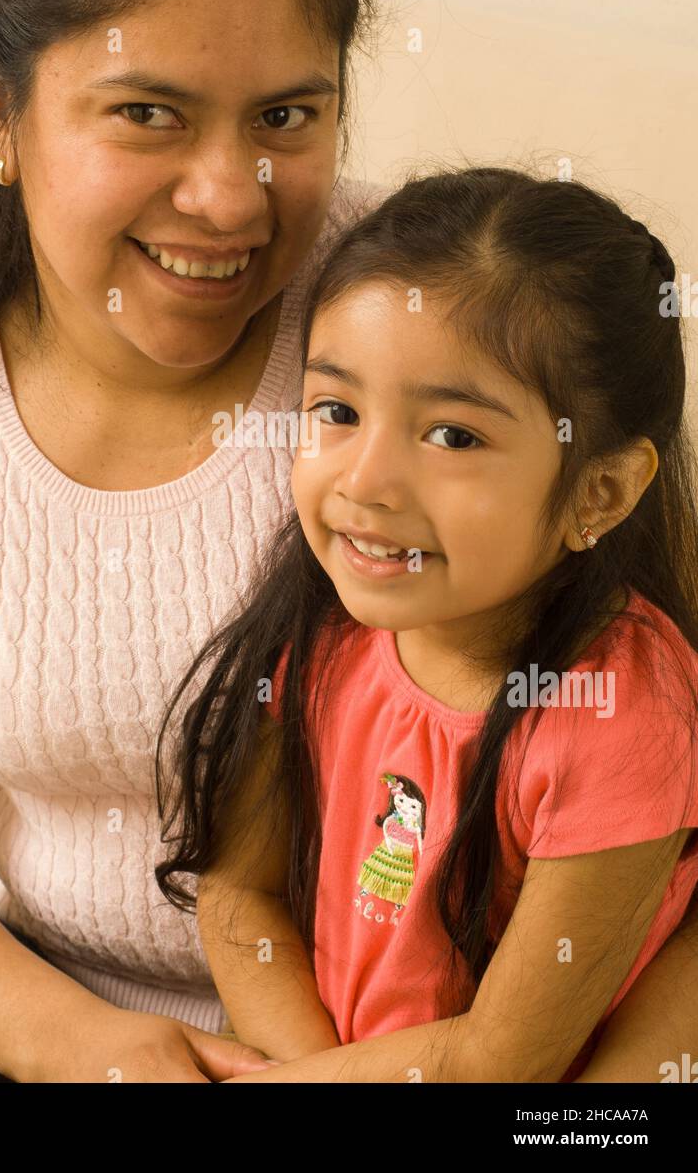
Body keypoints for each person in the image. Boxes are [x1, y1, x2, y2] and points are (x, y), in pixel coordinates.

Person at [0, 0, 695, 1084]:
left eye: (287, 116)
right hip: (56, 1003)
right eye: (146, 114)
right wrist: (65, 1040)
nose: (232, 197)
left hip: (428, 1041)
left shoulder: (421, 317)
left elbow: (655, 812)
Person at [156, 167, 698, 1083]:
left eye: (452, 436)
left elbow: (499, 1062)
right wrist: (305, 1073)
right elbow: (237, 899)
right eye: (336, 410)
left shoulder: (619, 717)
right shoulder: (328, 628)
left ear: (597, 491)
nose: (365, 481)